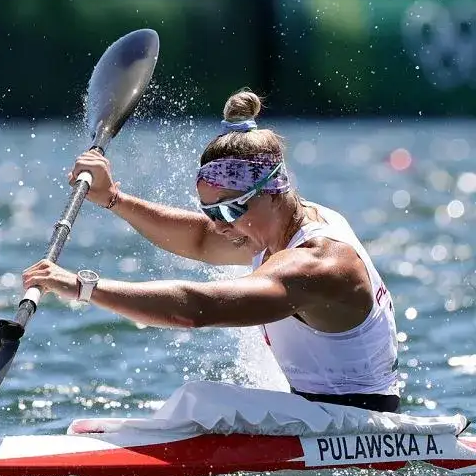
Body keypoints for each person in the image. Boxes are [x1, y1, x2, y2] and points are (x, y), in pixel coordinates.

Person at [22, 89, 401, 412]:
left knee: (200, 400)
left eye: (231, 210)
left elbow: (196, 310)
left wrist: (82, 288)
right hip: (315, 418)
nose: (223, 225)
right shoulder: (275, 226)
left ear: (274, 192)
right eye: (211, 212)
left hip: (355, 429)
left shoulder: (318, 263)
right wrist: (113, 198)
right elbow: (200, 238)